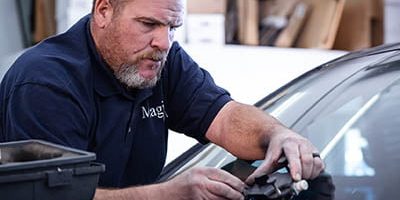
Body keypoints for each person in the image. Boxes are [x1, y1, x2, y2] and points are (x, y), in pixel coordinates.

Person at [0, 0, 324, 199]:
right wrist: (171, 195)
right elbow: (52, 199)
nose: (164, 41)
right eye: (149, 24)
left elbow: (223, 116)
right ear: (103, 11)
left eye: (172, 26)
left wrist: (278, 135)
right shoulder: (45, 83)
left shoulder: (160, 59)